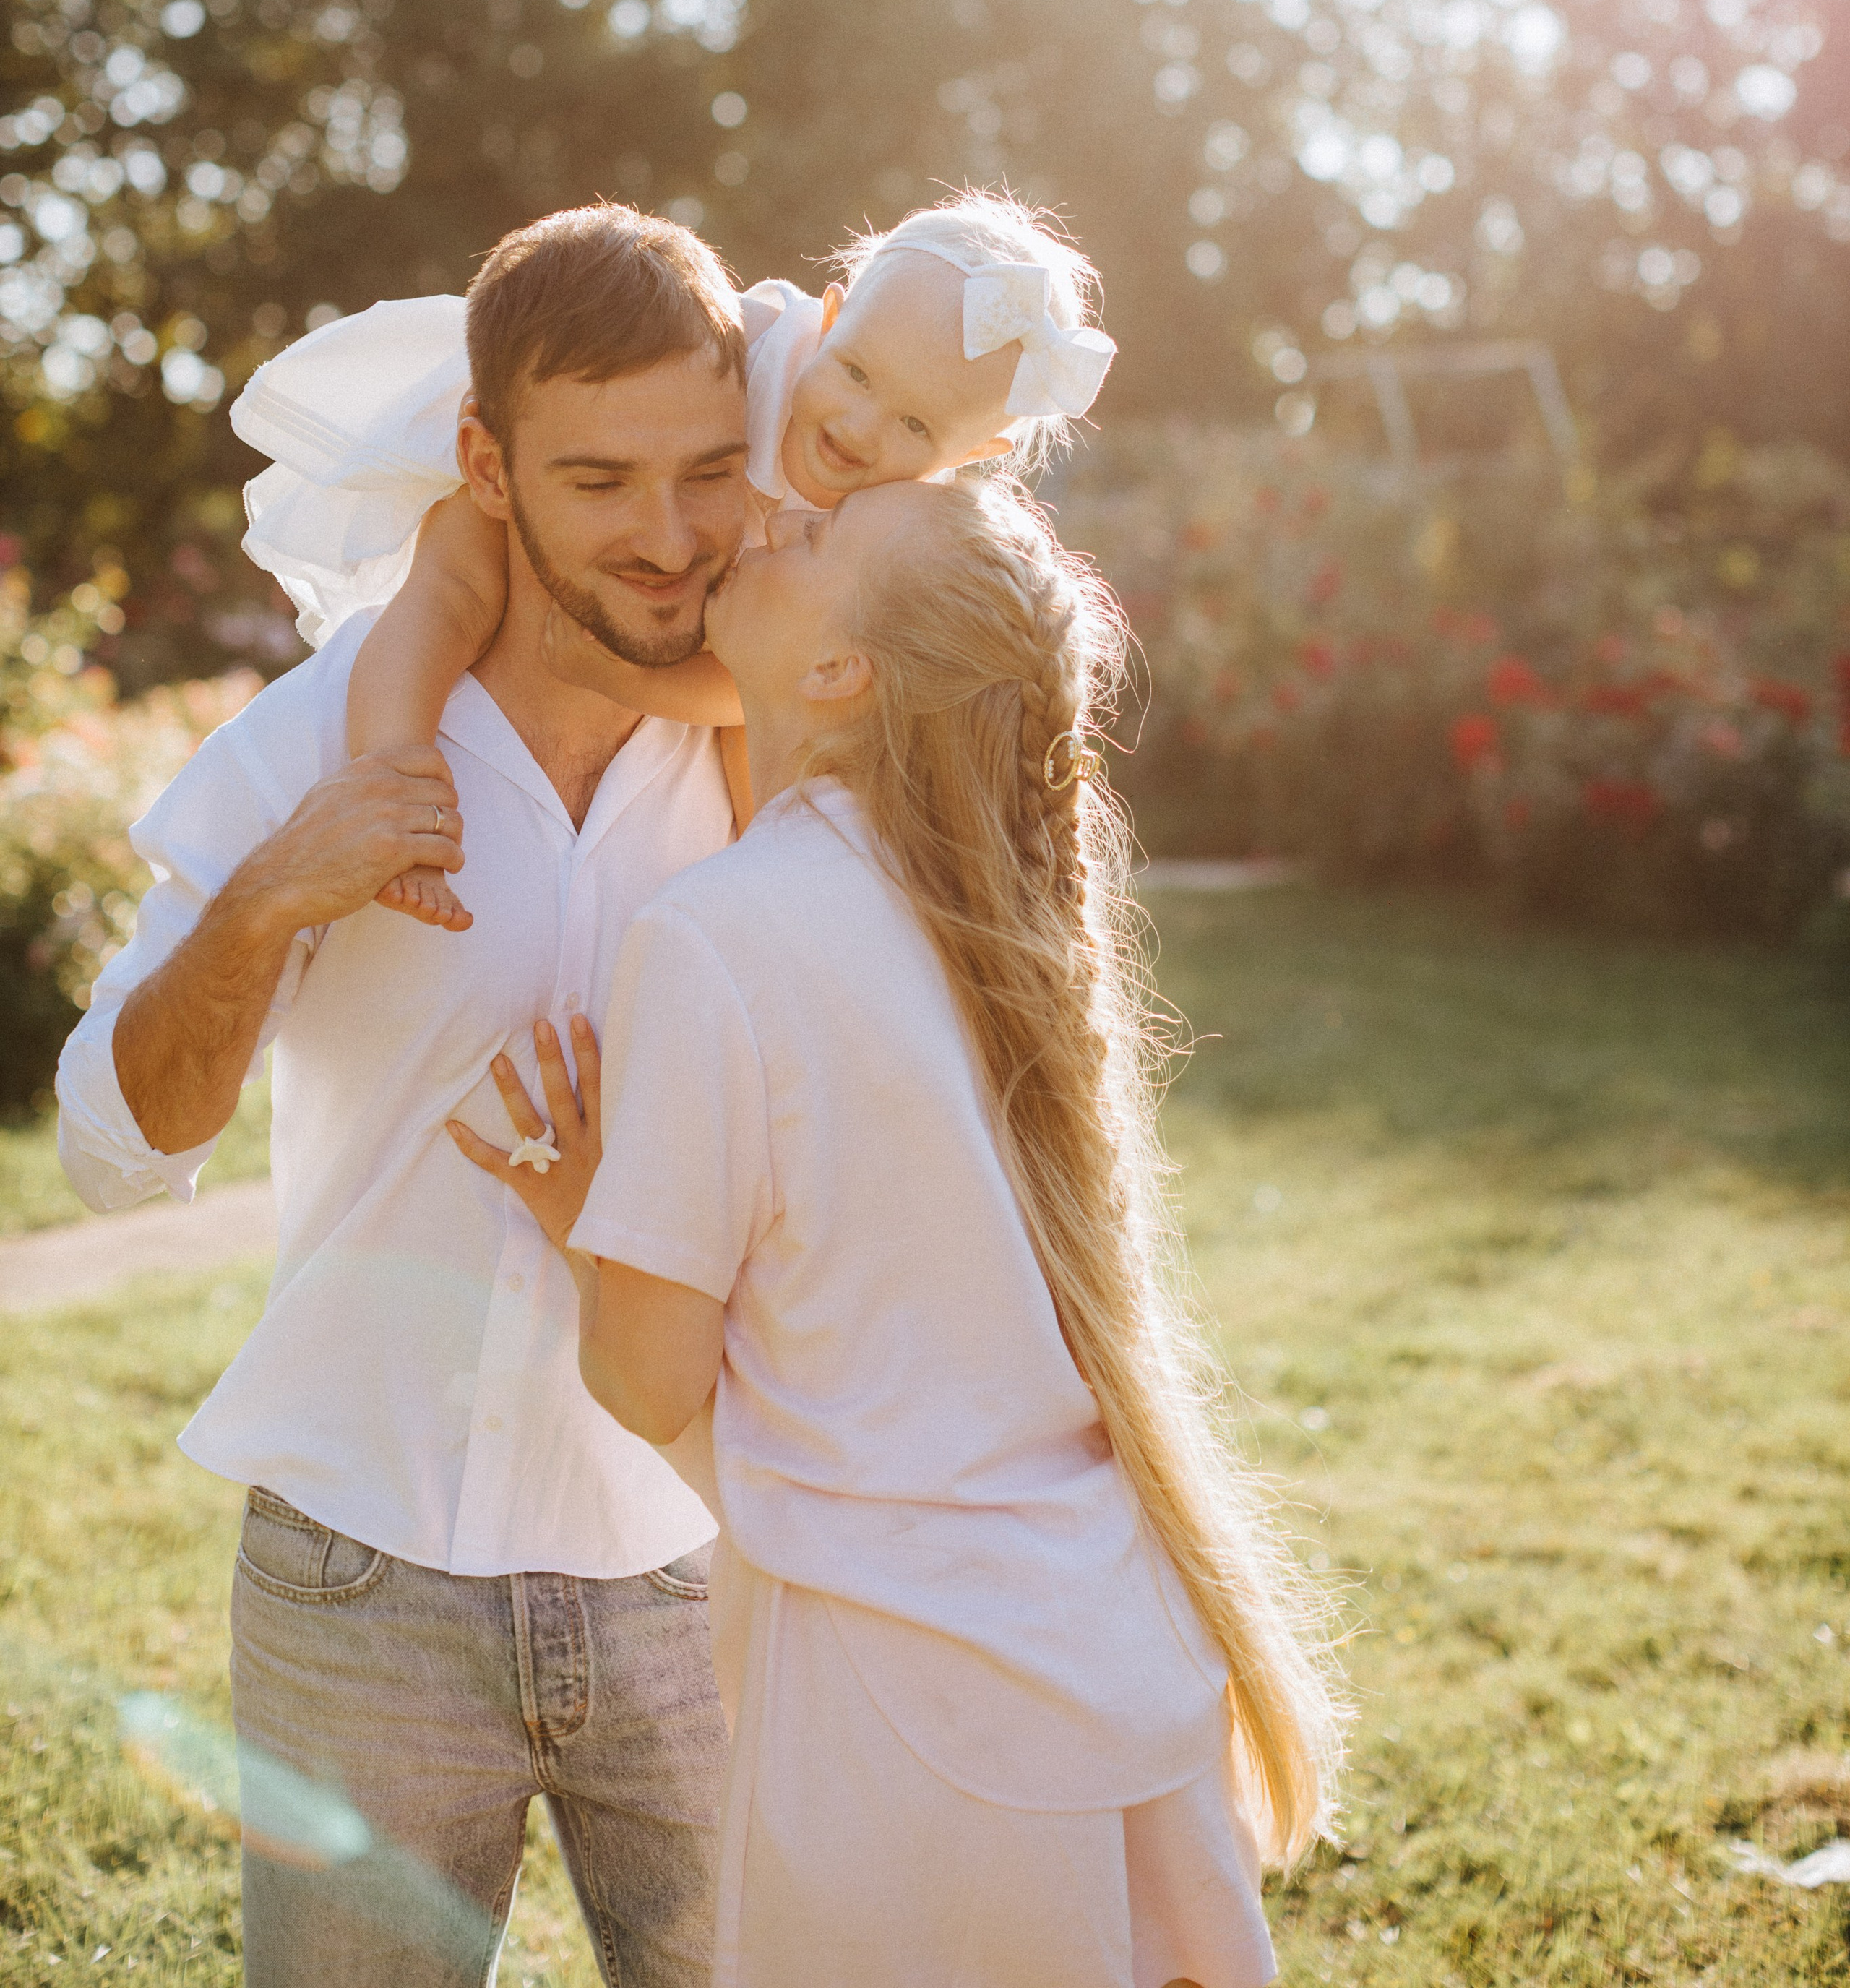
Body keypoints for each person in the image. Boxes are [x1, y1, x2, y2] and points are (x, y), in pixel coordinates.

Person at [455, 476, 1346, 1988]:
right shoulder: (1009, 927)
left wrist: (580, 1208)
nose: (761, 519)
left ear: (837, 674)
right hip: (1116, 1652)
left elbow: (649, 1384)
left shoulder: (718, 935)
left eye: (811, 539)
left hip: (902, 1720)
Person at [55, 205, 760, 1988]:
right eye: (598, 478)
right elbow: (109, 1152)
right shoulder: (321, 739)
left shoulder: (785, 734)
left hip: (708, 1554)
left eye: (705, 472)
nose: (667, 536)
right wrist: (265, 898)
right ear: (484, 468)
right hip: (358, 1578)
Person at [231, 189, 1116, 927]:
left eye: (914, 427)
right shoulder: (753, 346)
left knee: (767, 747)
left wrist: (633, 683)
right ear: (832, 318)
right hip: (592, 479)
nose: (858, 427)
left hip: (716, 644)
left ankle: (751, 906)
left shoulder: (893, 534)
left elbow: (759, 681)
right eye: (854, 373)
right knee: (455, 575)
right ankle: (386, 785)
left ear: (973, 452)